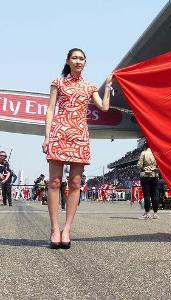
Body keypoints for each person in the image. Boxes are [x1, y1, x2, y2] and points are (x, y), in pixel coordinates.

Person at [42, 48, 113, 249]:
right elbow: (50, 109)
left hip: (79, 136)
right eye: (75, 58)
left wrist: (108, 86)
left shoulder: (90, 87)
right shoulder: (58, 82)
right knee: (55, 182)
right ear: (68, 61)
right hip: (59, 134)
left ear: (85, 62)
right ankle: (55, 229)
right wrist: (47, 136)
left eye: (82, 58)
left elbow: (105, 107)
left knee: (74, 183)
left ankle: (67, 229)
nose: (78, 61)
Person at [137, 143, 160, 219]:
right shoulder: (155, 153)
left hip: (145, 175)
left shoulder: (143, 153)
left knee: (147, 195)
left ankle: (147, 213)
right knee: (155, 195)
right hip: (154, 175)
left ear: (145, 146)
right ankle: (155, 213)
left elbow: (139, 165)